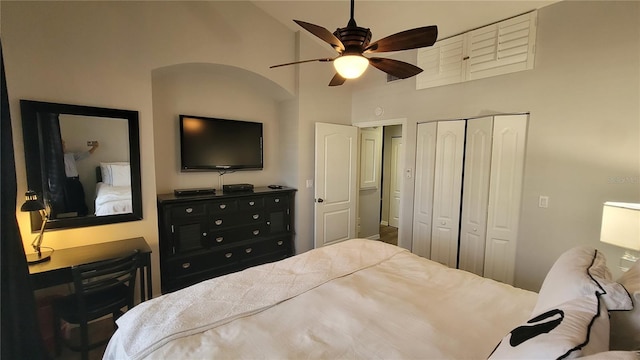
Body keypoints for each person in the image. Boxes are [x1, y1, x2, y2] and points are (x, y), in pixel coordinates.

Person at [62, 140, 99, 216]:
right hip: (66, 182)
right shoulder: (55, 159)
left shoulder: (70, 155)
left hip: (75, 180)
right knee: (70, 201)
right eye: (62, 144)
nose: (64, 146)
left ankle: (83, 215)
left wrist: (94, 148)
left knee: (80, 198)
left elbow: (84, 155)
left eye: (64, 144)